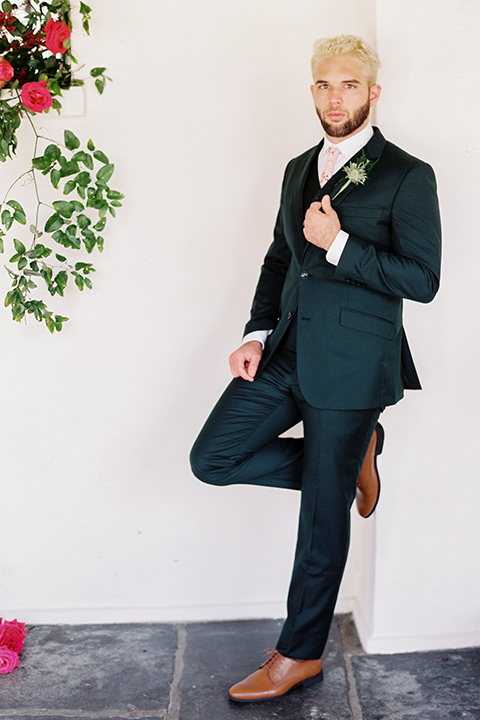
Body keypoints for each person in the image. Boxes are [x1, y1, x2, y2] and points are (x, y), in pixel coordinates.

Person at [190, 34, 441, 703]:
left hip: (353, 370)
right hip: (287, 353)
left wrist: (342, 246)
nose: (336, 98)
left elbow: (423, 279)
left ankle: (297, 654)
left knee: (320, 526)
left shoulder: (408, 174)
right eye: (324, 86)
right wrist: (256, 330)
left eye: (349, 85)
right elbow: (279, 255)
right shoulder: (299, 165)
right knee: (212, 457)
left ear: (373, 92)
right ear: (312, 92)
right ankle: (358, 458)